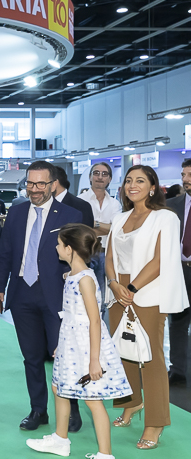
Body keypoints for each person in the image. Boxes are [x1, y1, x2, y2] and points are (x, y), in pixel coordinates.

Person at [0, 161, 85, 433]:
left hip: (55, 296)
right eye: (30, 183)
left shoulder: (71, 215)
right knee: (31, 357)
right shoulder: (17, 213)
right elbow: (4, 252)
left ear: (53, 185)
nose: (34, 189)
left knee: (64, 356)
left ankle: (72, 409)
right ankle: (38, 410)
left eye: (40, 184)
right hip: (22, 294)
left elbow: (77, 259)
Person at [26, 224, 131, 459]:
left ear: (70, 249)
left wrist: (95, 361)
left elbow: (95, 321)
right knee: (59, 388)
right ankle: (60, 439)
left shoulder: (85, 279)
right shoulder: (73, 275)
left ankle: (106, 453)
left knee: (92, 399)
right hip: (71, 342)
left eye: (60, 244)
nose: (57, 248)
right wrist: (61, 345)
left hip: (85, 347)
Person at [106, 165, 189, 450]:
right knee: (124, 351)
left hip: (148, 291)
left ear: (152, 186)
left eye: (140, 180)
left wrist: (130, 289)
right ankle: (132, 402)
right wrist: (115, 284)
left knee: (150, 357)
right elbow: (109, 255)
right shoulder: (119, 217)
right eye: (128, 180)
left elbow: (159, 259)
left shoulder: (165, 217)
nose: (133, 185)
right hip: (118, 290)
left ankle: (155, 422)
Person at [79, 163, 122, 298]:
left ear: (109, 179)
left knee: (102, 296)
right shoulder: (80, 201)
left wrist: (94, 224)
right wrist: (106, 227)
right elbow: (80, 229)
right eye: (96, 173)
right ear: (90, 177)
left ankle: (100, 319)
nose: (100, 177)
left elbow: (116, 230)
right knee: (84, 293)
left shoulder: (115, 204)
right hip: (84, 253)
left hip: (106, 253)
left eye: (104, 174)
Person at [166, 159, 191, 385]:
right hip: (179, 271)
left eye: (190, 175)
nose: (185, 179)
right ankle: (178, 370)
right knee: (178, 322)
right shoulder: (171, 205)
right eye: (183, 174)